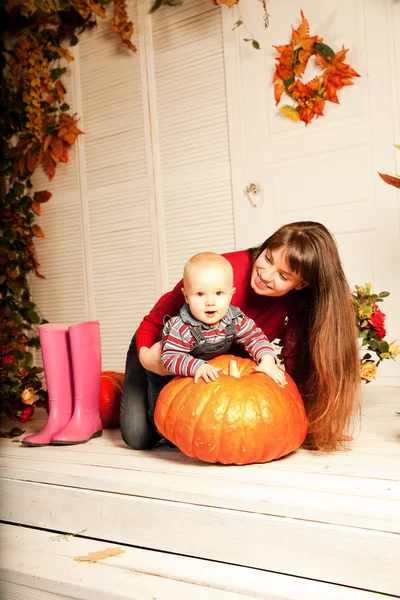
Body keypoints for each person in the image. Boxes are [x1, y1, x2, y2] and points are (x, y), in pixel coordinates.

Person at [120, 221, 360, 453]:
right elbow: (153, 322)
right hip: (164, 351)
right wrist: (146, 358)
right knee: (140, 437)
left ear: (301, 285)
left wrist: (300, 412)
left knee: (181, 437)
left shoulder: (294, 302)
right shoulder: (217, 274)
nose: (266, 274)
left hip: (205, 363)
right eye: (267, 258)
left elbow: (291, 355)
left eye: (283, 276)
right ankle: (127, 385)